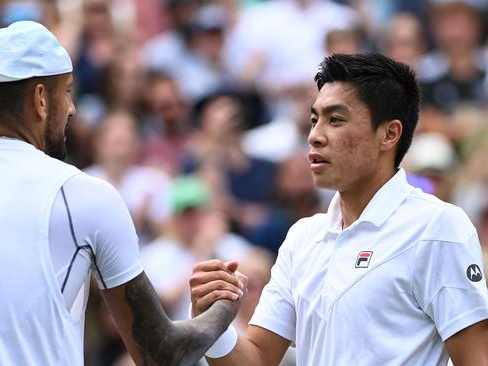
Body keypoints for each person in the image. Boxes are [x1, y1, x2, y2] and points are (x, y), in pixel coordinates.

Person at [0, 21, 246, 365]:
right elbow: (161, 354)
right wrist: (221, 310)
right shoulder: (84, 196)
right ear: (39, 99)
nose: (71, 108)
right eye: (66, 91)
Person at [189, 53, 488, 365]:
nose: (315, 136)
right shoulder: (302, 237)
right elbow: (259, 358)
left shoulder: (438, 226)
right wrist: (213, 322)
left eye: (336, 120)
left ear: (389, 134)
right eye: (314, 119)